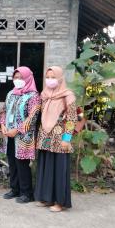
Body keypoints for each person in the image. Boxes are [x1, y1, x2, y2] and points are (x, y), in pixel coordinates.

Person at [34, 66, 76, 212]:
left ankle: (60, 202)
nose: (50, 80)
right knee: (46, 167)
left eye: (53, 77)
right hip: (45, 136)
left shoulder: (67, 95)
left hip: (59, 138)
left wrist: (67, 138)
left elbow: (71, 119)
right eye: (48, 77)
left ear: (60, 78)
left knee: (59, 169)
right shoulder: (44, 94)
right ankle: (47, 198)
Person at [0, 67, 41, 203]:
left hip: (23, 137)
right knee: (12, 162)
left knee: (22, 164)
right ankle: (14, 189)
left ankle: (27, 193)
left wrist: (16, 130)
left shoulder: (34, 96)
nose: (17, 80)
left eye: (21, 78)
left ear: (28, 78)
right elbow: (4, 111)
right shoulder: (11, 93)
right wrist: (3, 125)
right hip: (9, 135)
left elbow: (32, 118)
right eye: (15, 78)